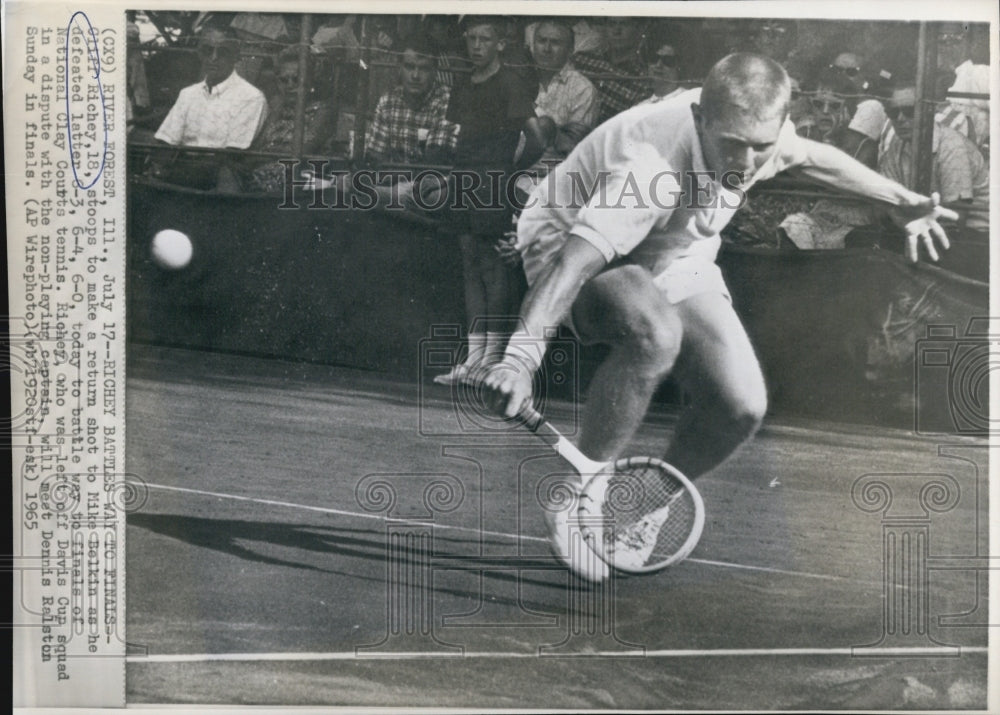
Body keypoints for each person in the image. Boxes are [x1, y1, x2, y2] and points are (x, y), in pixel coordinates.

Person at [482, 53, 957, 581]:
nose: (750, 162)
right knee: (654, 334)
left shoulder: (759, 138)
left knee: (741, 405)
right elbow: (572, 267)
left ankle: (647, 512)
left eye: (763, 146)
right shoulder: (650, 169)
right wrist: (520, 362)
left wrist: (902, 199)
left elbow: (815, 158)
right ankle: (578, 498)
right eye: (733, 143)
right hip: (565, 239)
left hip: (674, 247)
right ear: (698, 120)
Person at [431, 16, 547, 385]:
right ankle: (473, 360)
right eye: (472, 38)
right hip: (464, 177)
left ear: (500, 43)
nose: (476, 45)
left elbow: (537, 140)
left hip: (492, 181)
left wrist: (508, 170)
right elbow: (460, 134)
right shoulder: (463, 84)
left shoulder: (511, 83)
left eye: (485, 39)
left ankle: (493, 360)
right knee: (469, 264)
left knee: (493, 269)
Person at [877, 85, 988, 232]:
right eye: (893, 112)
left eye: (910, 111)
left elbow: (955, 218)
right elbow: (887, 204)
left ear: (929, 112)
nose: (900, 118)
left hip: (975, 235)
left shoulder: (952, 146)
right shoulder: (898, 145)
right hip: (925, 226)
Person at [154, 28, 268, 149]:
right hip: (180, 163)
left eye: (223, 52)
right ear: (199, 53)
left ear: (236, 56)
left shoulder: (251, 98)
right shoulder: (187, 94)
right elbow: (166, 142)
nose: (213, 57)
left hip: (219, 166)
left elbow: (232, 156)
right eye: (207, 50)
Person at [365, 34, 458, 167]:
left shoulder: (447, 101)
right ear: (399, 68)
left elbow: (434, 164)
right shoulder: (387, 102)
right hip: (392, 184)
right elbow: (375, 158)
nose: (415, 76)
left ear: (435, 71)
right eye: (409, 67)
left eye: (424, 69)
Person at [528, 19, 599, 168]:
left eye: (555, 43)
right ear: (533, 44)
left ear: (571, 49)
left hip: (553, 177)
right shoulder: (519, 80)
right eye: (541, 41)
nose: (546, 48)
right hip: (511, 171)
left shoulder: (582, 89)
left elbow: (573, 147)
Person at [572, 16, 649, 124]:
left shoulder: (641, 80)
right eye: (612, 24)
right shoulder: (582, 59)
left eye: (624, 25)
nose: (616, 31)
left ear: (639, 29)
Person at [637, 40, 686, 105]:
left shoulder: (688, 98)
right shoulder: (640, 107)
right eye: (653, 59)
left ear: (679, 66)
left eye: (667, 60)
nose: (658, 65)